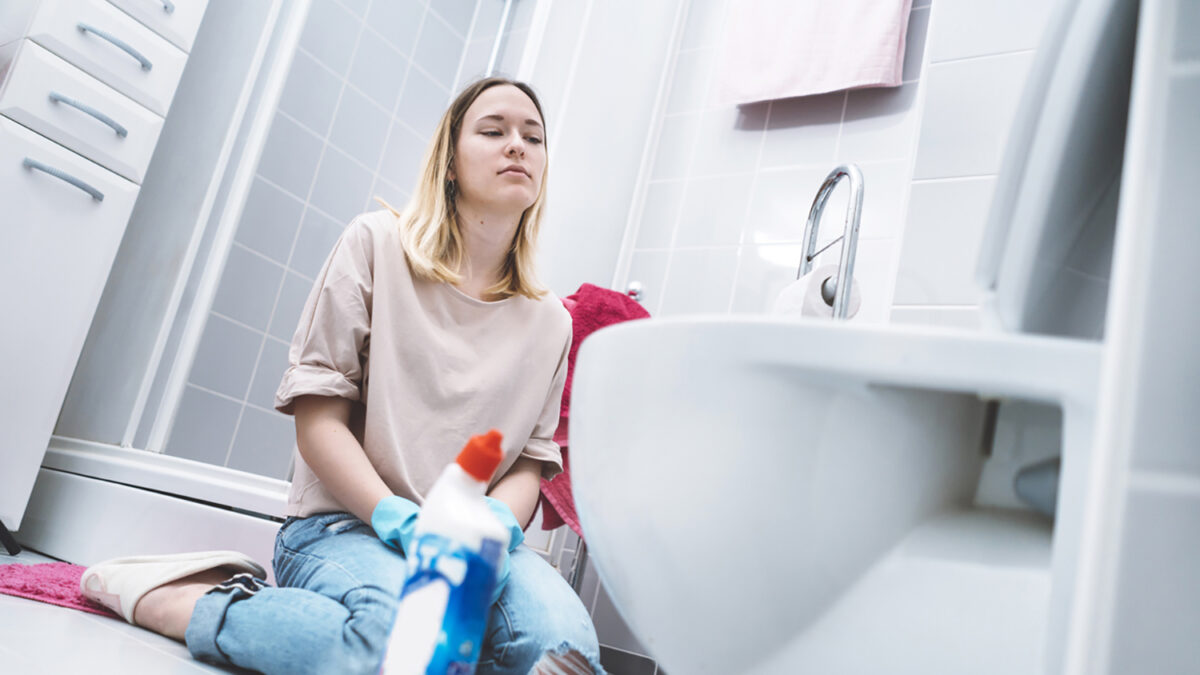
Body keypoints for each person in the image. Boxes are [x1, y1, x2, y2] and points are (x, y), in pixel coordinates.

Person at [80, 77, 604, 675]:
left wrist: (491, 529)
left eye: (532, 138)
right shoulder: (376, 244)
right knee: (398, 641)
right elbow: (318, 421)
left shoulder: (549, 320)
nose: (517, 146)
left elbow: (528, 466)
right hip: (346, 524)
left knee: (567, 653)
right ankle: (187, 603)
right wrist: (397, 519)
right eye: (493, 131)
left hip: (466, 548)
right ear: (450, 163)